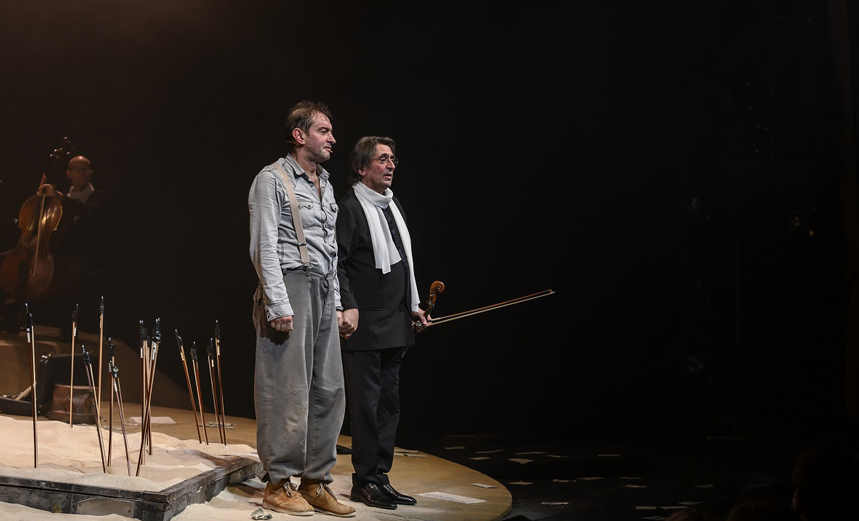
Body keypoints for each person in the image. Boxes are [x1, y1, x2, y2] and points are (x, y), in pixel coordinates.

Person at [248, 100, 355, 518]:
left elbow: (330, 248)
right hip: (291, 286)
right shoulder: (271, 179)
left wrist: (339, 303)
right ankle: (278, 482)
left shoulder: (324, 183)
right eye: (323, 131)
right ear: (299, 135)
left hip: (324, 288)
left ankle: (314, 481)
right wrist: (277, 301)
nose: (332, 139)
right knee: (287, 388)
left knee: (329, 389)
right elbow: (264, 245)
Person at [336, 136, 429, 510]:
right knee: (366, 407)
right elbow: (337, 264)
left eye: (393, 159)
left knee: (389, 407)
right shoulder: (350, 208)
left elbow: (404, 261)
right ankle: (364, 480)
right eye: (382, 159)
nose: (391, 165)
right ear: (362, 168)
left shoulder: (392, 204)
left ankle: (380, 477)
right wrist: (348, 306)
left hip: (395, 322)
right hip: (366, 327)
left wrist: (414, 305)